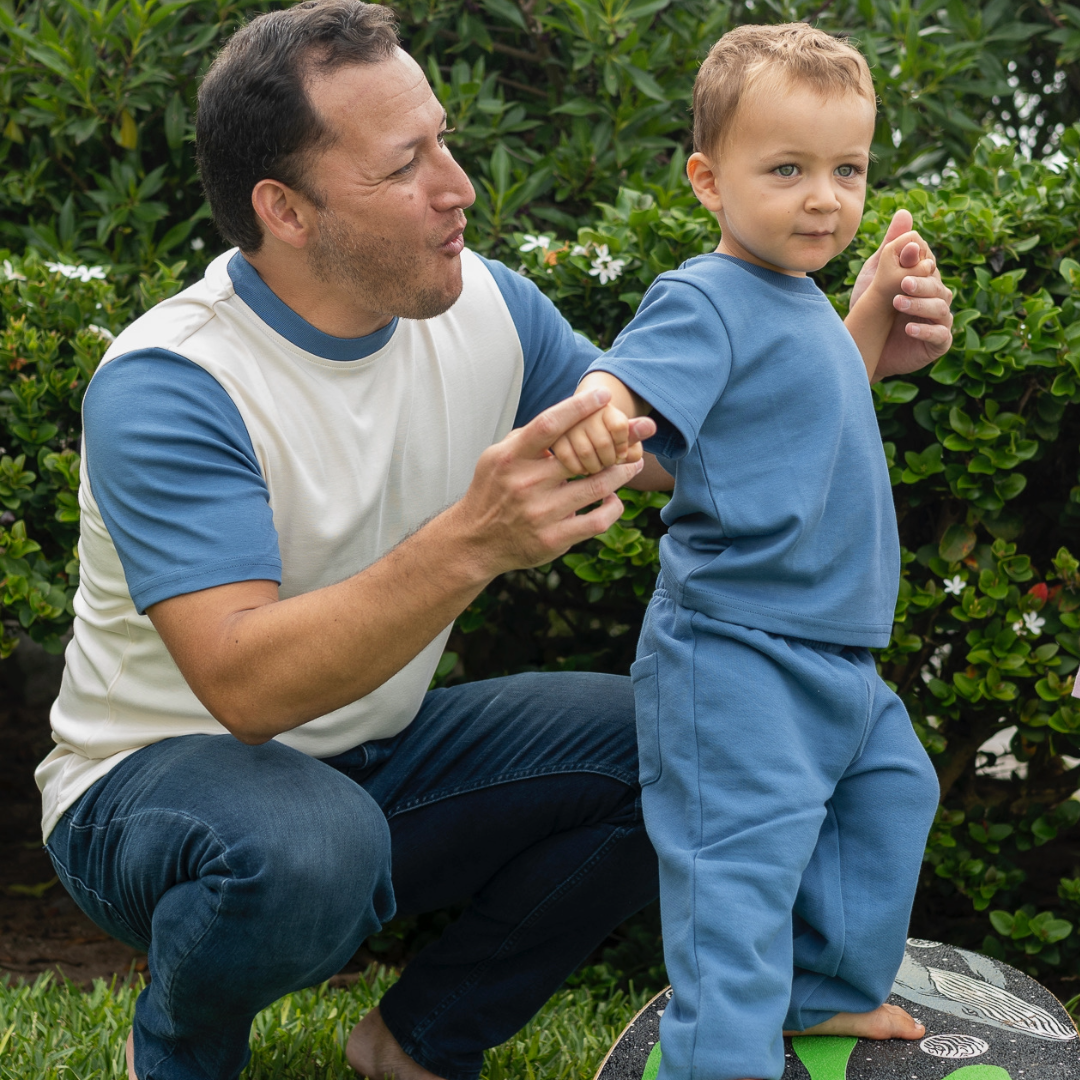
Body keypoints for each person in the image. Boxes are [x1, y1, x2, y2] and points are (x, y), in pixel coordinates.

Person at [33, 5, 953, 1080]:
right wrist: (472, 541)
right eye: (404, 164)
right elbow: (246, 688)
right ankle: (181, 1053)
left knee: (673, 745)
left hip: (378, 756)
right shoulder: (175, 383)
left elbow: (653, 446)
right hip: (157, 787)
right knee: (305, 845)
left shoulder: (486, 307)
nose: (458, 184)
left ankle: (418, 1041)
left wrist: (848, 352)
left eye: (445, 140)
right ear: (284, 207)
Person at [550, 23, 946, 1080]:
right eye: (787, 170)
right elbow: (629, 382)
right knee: (739, 882)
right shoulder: (706, 296)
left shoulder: (804, 302)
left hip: (836, 658)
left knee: (894, 795)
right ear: (706, 181)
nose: (824, 198)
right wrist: (599, 407)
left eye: (846, 170)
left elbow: (789, 424)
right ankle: (716, 1062)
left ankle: (821, 995)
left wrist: (870, 327)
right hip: (735, 654)